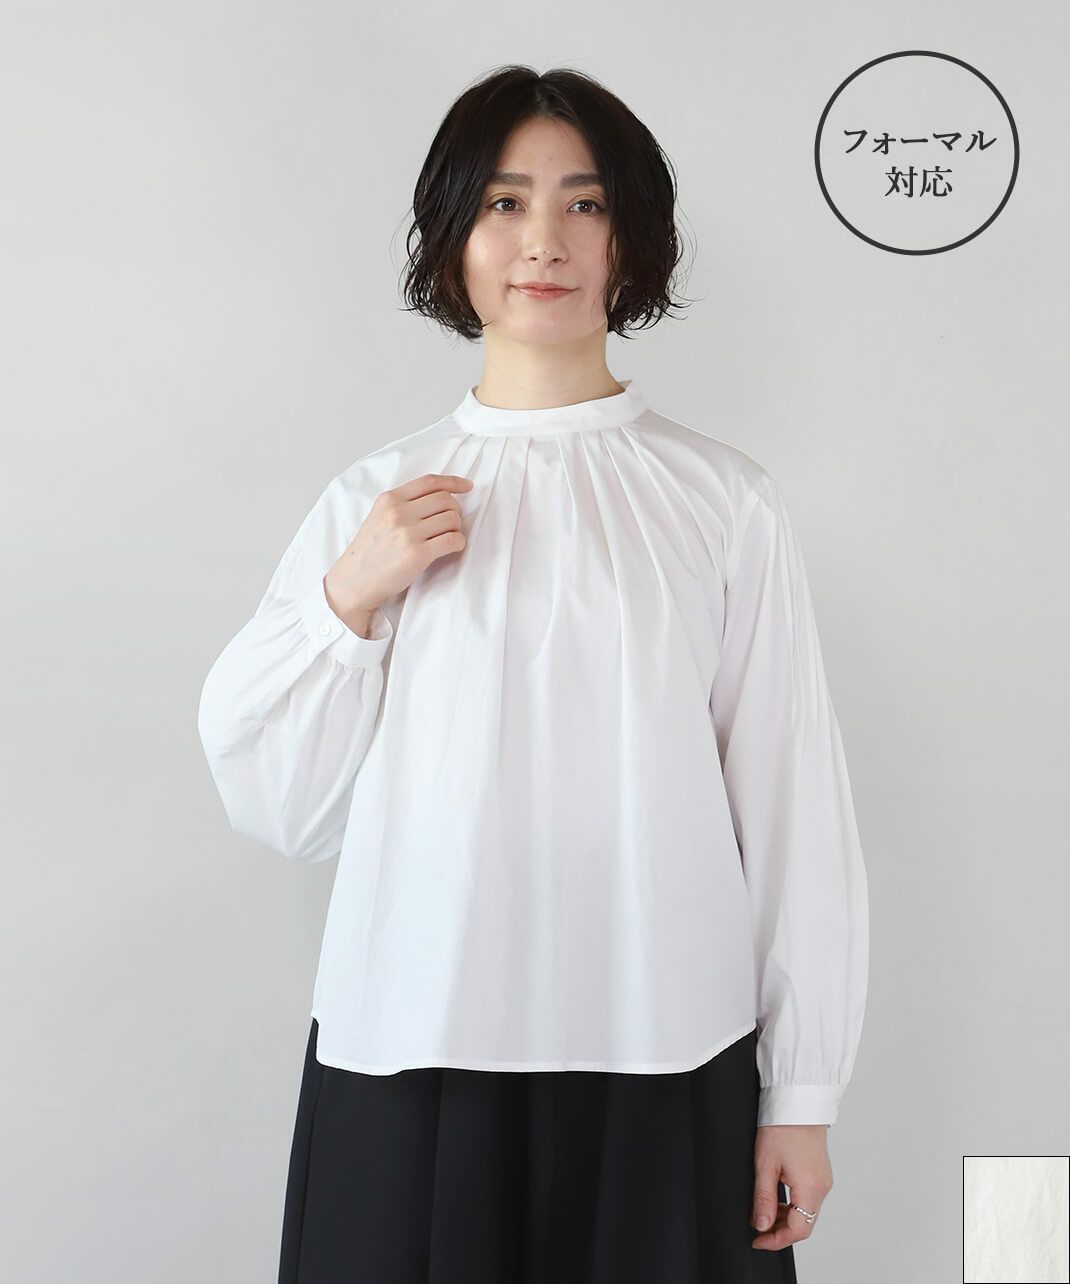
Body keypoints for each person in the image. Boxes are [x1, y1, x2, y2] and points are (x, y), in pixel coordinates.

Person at [197, 65, 869, 1284]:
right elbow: (280, 803)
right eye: (504, 203)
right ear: (452, 236)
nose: (542, 241)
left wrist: (801, 1094)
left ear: (630, 239)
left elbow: (787, 808)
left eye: (584, 203)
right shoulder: (374, 501)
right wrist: (349, 601)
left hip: (664, 1044)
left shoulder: (722, 501)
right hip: (414, 1042)